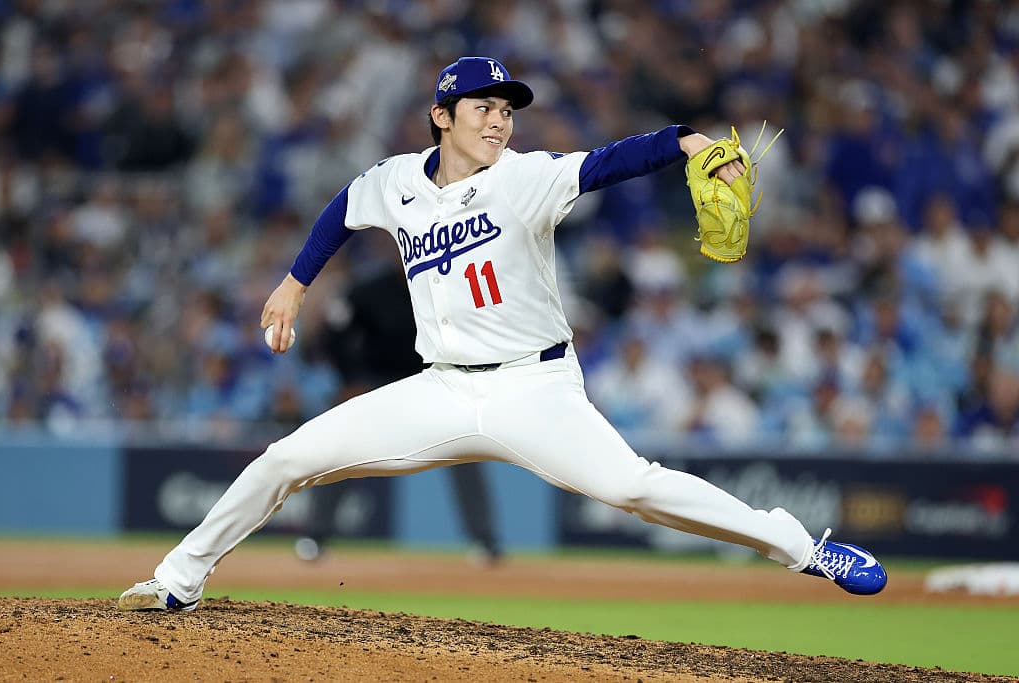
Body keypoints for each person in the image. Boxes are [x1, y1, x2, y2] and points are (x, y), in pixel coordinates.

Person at [119, 57, 886, 612]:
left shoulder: (525, 177)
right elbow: (344, 209)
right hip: (441, 389)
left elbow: (611, 162)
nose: (498, 120)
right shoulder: (397, 181)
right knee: (286, 457)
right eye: (482, 106)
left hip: (534, 386)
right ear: (441, 116)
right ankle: (178, 579)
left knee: (633, 485)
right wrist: (294, 283)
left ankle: (804, 548)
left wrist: (688, 142)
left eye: (506, 109)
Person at [296, 245, 501, 563]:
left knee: (465, 450)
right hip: (379, 383)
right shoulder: (368, 289)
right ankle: (316, 535)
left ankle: (485, 540)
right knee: (341, 448)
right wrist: (350, 379)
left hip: (433, 382)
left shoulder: (449, 286)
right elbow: (335, 335)